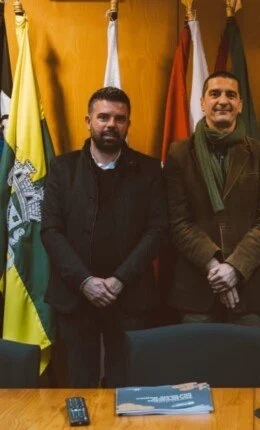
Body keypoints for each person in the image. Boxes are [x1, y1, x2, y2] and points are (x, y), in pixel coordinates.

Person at [41, 87, 167, 387]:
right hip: (75, 296)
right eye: (104, 117)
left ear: (128, 125)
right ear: (89, 121)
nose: (111, 124)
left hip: (130, 296)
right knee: (79, 385)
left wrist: (119, 279)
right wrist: (85, 281)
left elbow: (158, 230)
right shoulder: (62, 168)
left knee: (128, 387)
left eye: (119, 119)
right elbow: (51, 231)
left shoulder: (149, 169)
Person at [165, 71, 260, 327]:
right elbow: (178, 221)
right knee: (198, 354)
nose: (223, 101)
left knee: (245, 355)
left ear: (240, 105)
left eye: (231, 95)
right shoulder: (179, 154)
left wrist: (234, 268)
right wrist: (214, 267)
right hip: (197, 289)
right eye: (215, 94)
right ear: (202, 102)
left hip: (247, 289)